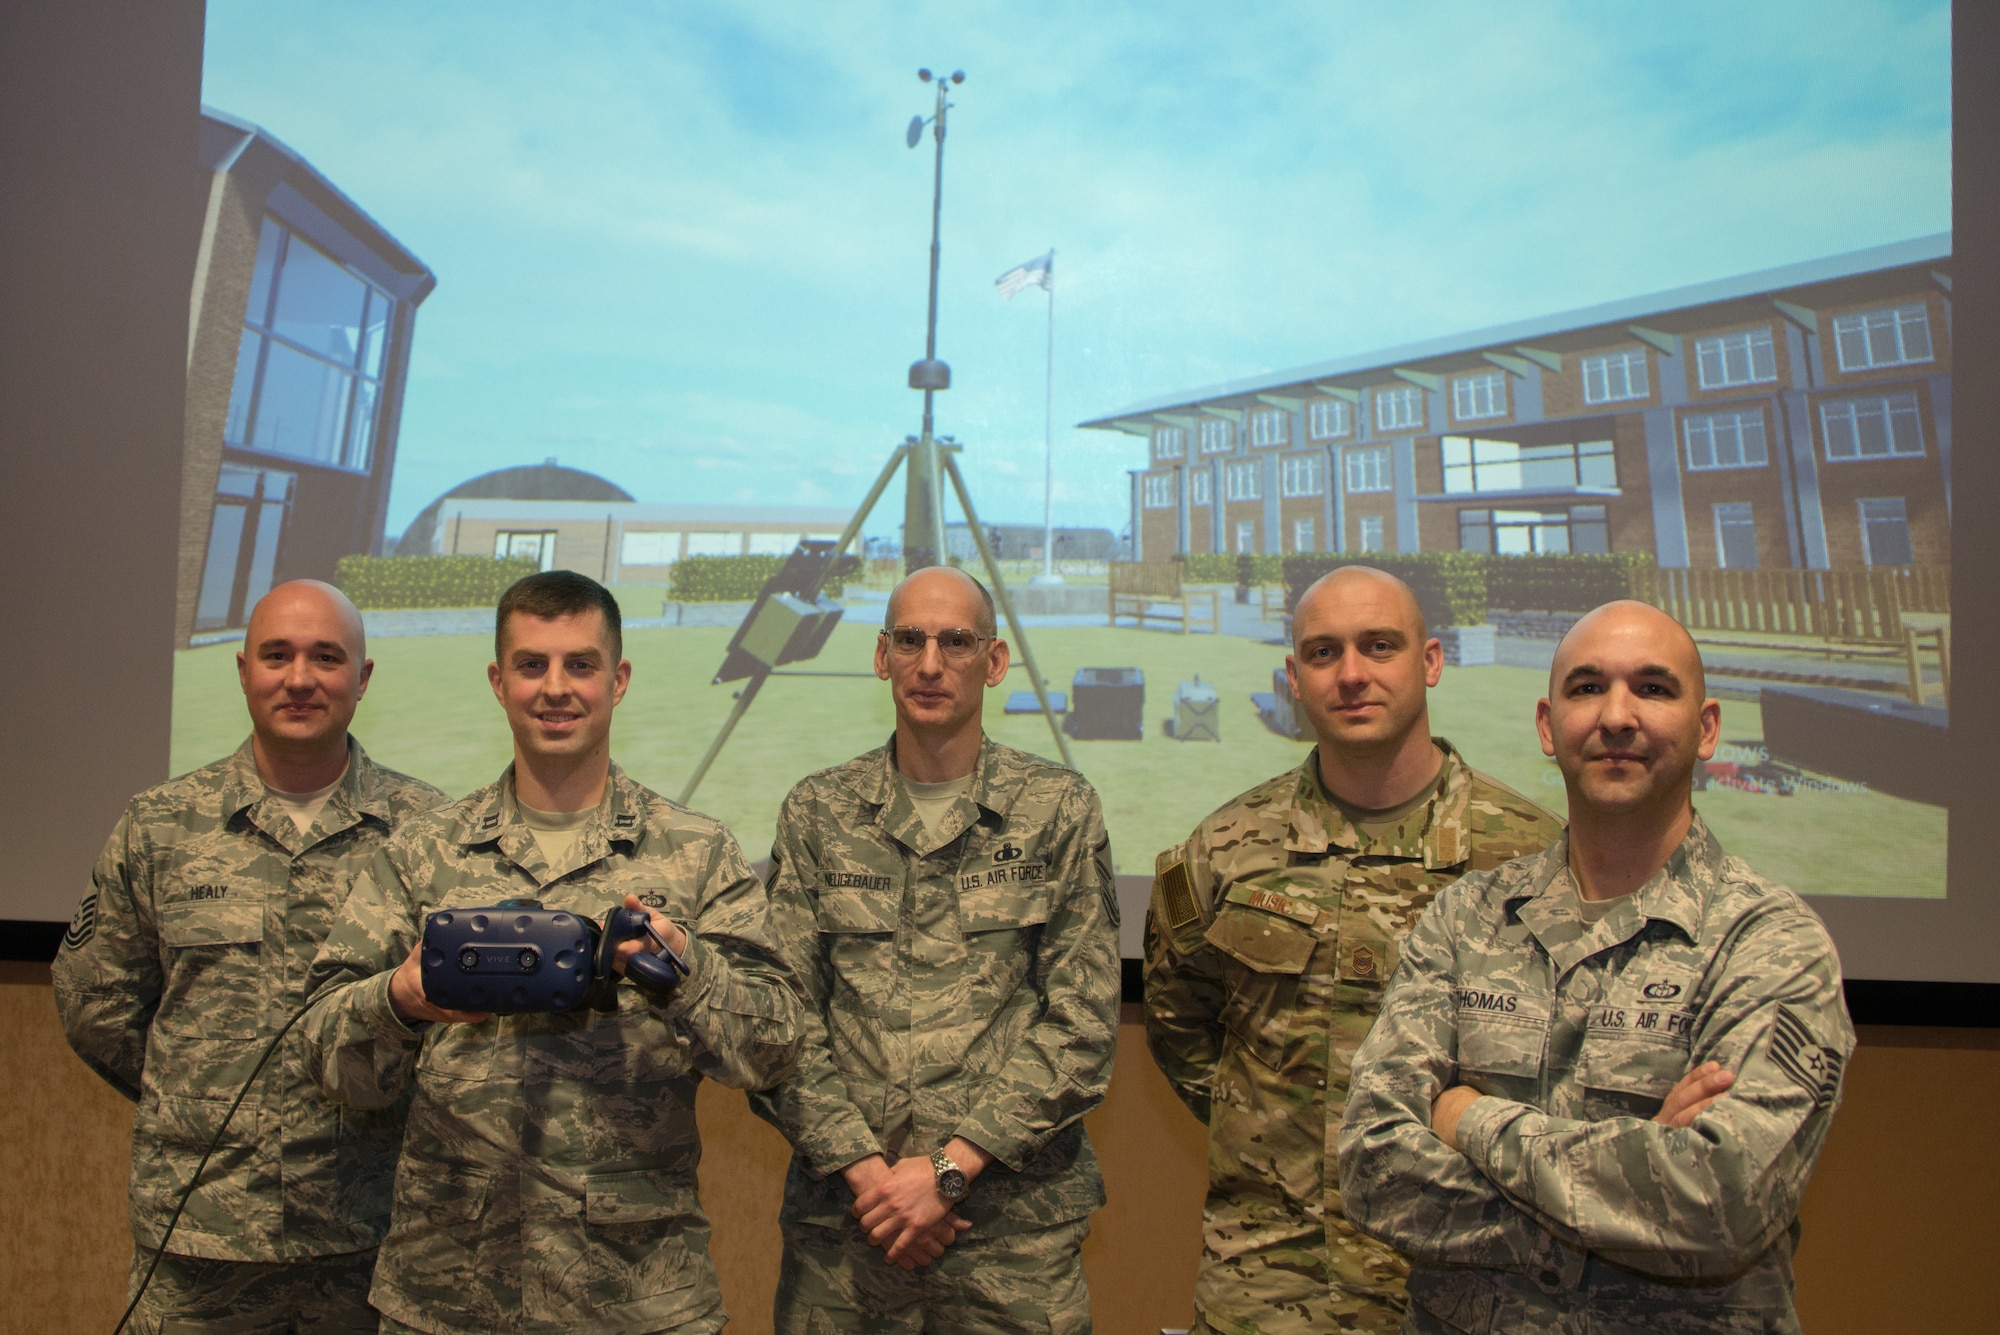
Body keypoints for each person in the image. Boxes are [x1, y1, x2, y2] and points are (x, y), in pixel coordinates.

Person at [300, 570, 801, 1335]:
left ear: (619, 679)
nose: (555, 688)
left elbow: (773, 1046)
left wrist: (685, 973)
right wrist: (399, 1000)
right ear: (499, 681)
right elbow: (327, 1058)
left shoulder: (695, 854)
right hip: (445, 1296)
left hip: (636, 1298)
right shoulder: (422, 853)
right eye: (531, 665)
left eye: (581, 664)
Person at [1337, 600, 1853, 1334]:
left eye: (1652, 687)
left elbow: (1721, 1199)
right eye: (1586, 688)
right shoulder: (1465, 919)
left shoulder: (1770, 942)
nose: (1617, 715)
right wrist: (1624, 1211)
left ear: (1706, 728)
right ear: (1549, 727)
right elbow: (1373, 1168)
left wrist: (1469, 1117)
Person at [1144, 565, 1562, 1335]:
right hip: (1268, 1285)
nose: (1352, 674)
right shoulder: (1224, 851)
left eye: (1379, 645)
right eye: (1323, 652)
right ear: (1294, 679)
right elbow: (1181, 1027)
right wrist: (1279, 1129)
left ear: (1430, 661)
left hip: (1472, 1287)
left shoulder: (1536, 859)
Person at [53, 580, 444, 1333]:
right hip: (199, 1243)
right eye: (277, 654)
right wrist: (192, 1091)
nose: (300, 677)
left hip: (373, 1236)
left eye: (327, 656)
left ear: (362, 679)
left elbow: (458, 1023)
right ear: (242, 670)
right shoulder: (160, 827)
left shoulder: (427, 831)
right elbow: (96, 1003)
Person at [751, 566, 1121, 1334]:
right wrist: (874, 1180)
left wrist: (949, 1172)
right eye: (910, 640)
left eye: (956, 641)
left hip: (1011, 1237)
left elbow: (1081, 1023)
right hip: (849, 1235)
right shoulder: (818, 812)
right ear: (881, 655)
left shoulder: (1058, 807)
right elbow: (780, 1022)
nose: (930, 663)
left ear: (994, 661)